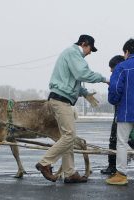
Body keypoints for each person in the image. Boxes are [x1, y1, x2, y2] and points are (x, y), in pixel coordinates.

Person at [35, 34, 108, 183]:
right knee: (70, 136)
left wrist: (86, 93)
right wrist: (104, 79)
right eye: (90, 49)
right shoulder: (73, 53)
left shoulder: (70, 55)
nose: (90, 53)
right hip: (61, 100)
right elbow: (82, 74)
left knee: (66, 137)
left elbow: (73, 81)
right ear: (84, 44)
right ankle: (44, 163)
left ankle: (69, 173)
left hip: (60, 99)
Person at [106, 38, 134, 185]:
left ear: (127, 52)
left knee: (121, 143)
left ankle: (121, 175)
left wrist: (114, 100)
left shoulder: (122, 67)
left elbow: (116, 89)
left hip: (127, 112)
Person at [100, 55, 125, 175]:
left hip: (121, 112)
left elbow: (114, 96)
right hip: (124, 111)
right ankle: (113, 165)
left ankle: (113, 166)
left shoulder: (120, 74)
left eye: (112, 67)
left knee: (115, 139)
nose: (110, 70)